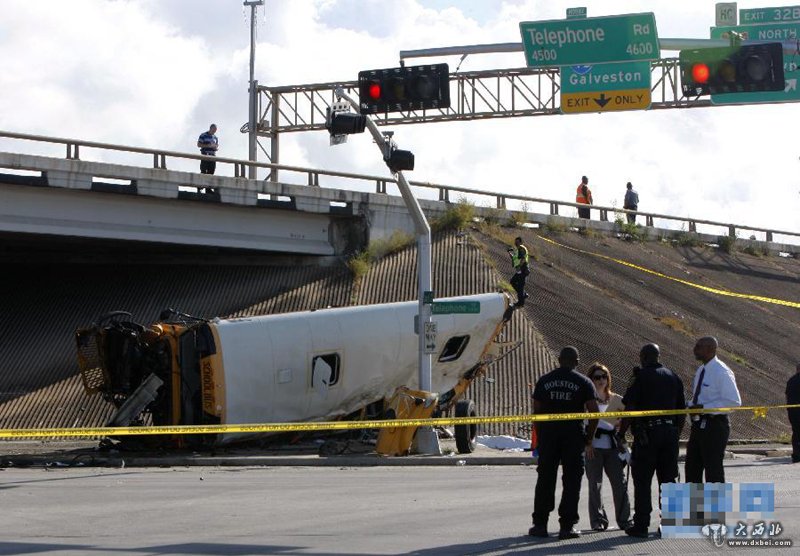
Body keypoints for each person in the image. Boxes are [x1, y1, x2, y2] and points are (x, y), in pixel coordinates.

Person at [529, 346, 599, 540]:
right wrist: (588, 438)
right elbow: (595, 413)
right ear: (577, 362)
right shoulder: (584, 382)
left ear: (559, 360)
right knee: (572, 481)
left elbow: (537, 413)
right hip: (573, 437)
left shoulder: (544, 381)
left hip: (549, 437)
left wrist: (542, 437)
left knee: (545, 480)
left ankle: (540, 525)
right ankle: (566, 527)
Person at [619, 343, 685, 538]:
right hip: (669, 434)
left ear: (644, 357)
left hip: (647, 434)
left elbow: (629, 407)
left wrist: (621, 433)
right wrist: (676, 434)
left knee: (642, 480)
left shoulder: (639, 376)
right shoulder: (674, 376)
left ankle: (641, 524)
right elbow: (681, 411)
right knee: (669, 480)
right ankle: (670, 523)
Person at [685, 336, 742, 484]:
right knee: (692, 469)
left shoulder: (721, 371)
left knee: (713, 471)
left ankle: (716, 507)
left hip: (714, 425)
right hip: (698, 425)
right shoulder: (701, 370)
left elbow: (734, 402)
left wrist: (703, 408)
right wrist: (690, 405)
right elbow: (700, 398)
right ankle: (695, 507)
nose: (694, 349)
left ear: (710, 349)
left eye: (699, 347)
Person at [584, 363, 632, 532]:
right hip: (593, 448)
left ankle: (625, 520)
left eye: (604, 376)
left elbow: (629, 415)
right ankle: (598, 520)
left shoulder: (615, 399)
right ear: (591, 379)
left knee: (620, 483)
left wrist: (620, 424)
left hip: (612, 447)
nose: (601, 380)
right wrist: (587, 444)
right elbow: (582, 423)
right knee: (594, 485)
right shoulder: (586, 400)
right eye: (597, 377)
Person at [507, 236, 530, 307]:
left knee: (520, 287)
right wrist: (509, 253)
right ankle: (523, 294)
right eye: (515, 241)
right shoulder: (517, 250)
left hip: (522, 270)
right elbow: (514, 258)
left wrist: (519, 267)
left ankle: (520, 303)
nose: (515, 243)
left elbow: (523, 259)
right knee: (512, 282)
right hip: (519, 270)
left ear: (520, 242)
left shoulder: (521, 248)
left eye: (517, 242)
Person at [787, 362, 800, 463]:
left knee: (796, 432)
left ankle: (796, 455)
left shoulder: (791, 380)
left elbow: (788, 395)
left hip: (792, 411)